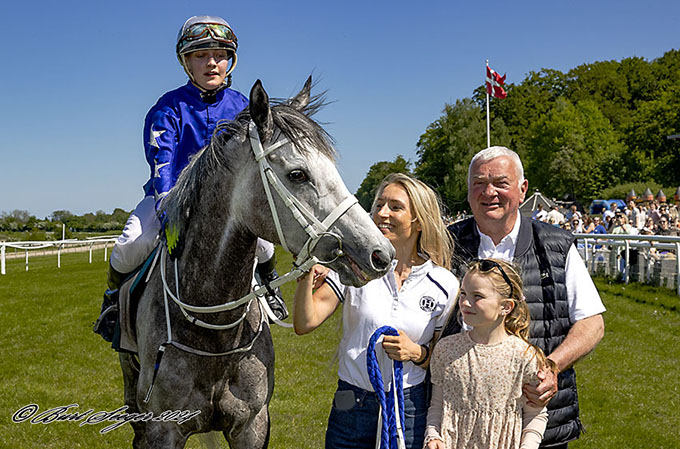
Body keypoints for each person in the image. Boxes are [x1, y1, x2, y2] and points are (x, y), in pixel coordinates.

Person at [94, 16, 287, 342]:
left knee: (265, 244)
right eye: (200, 55)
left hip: (232, 204)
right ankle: (113, 301)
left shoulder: (242, 106)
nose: (212, 62)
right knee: (130, 243)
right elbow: (162, 168)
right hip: (171, 200)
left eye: (220, 54)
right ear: (186, 62)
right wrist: (170, 215)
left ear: (230, 60)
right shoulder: (167, 109)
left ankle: (269, 286)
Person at [442, 146, 605, 449]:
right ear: (468, 192)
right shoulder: (444, 245)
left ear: (522, 189)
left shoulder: (556, 245)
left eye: (500, 182)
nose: (488, 192)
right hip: (462, 423)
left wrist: (552, 366)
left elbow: (592, 322)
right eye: (478, 183)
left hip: (538, 419)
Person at [293, 173, 460, 449]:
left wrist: (415, 352)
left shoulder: (444, 284)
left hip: (408, 406)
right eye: (379, 205)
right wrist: (305, 278)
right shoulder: (351, 267)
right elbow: (305, 322)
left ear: (418, 219)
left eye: (395, 207)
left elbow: (441, 360)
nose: (382, 213)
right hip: (351, 403)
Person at [425, 259, 553, 449]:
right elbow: (437, 405)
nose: (466, 302)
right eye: (463, 294)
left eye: (477, 296)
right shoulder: (446, 349)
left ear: (506, 307)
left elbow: (535, 414)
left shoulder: (524, 356)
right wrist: (433, 436)